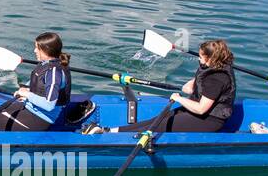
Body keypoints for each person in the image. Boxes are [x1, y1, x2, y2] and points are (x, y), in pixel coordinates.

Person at [81, 39, 236, 134]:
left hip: (209, 120)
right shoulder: (211, 66)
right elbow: (192, 84)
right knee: (157, 119)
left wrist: (179, 99)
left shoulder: (217, 79)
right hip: (197, 111)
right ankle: (110, 131)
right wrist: (190, 85)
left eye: (201, 57)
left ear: (211, 58)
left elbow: (202, 109)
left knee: (160, 125)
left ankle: (109, 135)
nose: (198, 59)